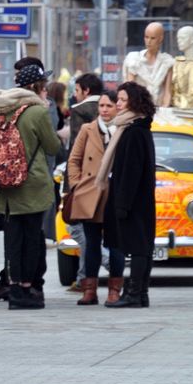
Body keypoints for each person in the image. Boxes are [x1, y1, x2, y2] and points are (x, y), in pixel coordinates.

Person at [0, 64, 62, 310]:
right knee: (32, 239)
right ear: (36, 87)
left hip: (7, 184)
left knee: (13, 240)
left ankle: (14, 290)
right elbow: (53, 147)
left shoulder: (2, 110)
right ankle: (27, 289)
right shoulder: (38, 112)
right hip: (32, 184)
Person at [65, 90, 126, 306]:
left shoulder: (123, 129)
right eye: (101, 106)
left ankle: (114, 291)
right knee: (91, 244)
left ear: (117, 107)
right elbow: (74, 159)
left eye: (109, 106)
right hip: (90, 193)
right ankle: (89, 291)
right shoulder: (87, 129)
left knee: (116, 244)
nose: (105, 110)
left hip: (115, 194)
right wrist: (76, 184)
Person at [99, 81, 156, 308]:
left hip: (132, 201)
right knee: (141, 245)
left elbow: (130, 171)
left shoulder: (133, 131)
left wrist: (122, 204)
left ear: (133, 101)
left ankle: (134, 294)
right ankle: (140, 294)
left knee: (138, 246)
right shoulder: (135, 127)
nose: (118, 104)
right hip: (137, 199)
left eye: (122, 100)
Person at [60, 72, 103, 292]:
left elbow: (76, 151)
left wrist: (71, 184)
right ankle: (88, 272)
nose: (75, 96)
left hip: (83, 181)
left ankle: (88, 272)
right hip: (103, 179)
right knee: (95, 228)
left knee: (77, 227)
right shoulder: (110, 109)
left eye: (76, 91)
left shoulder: (80, 111)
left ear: (85, 90)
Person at [123, 22, 174, 106]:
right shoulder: (134, 59)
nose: (148, 41)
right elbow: (130, 89)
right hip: (138, 108)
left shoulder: (167, 62)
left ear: (160, 39)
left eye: (153, 38)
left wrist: (164, 109)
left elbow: (167, 91)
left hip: (159, 109)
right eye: (146, 37)